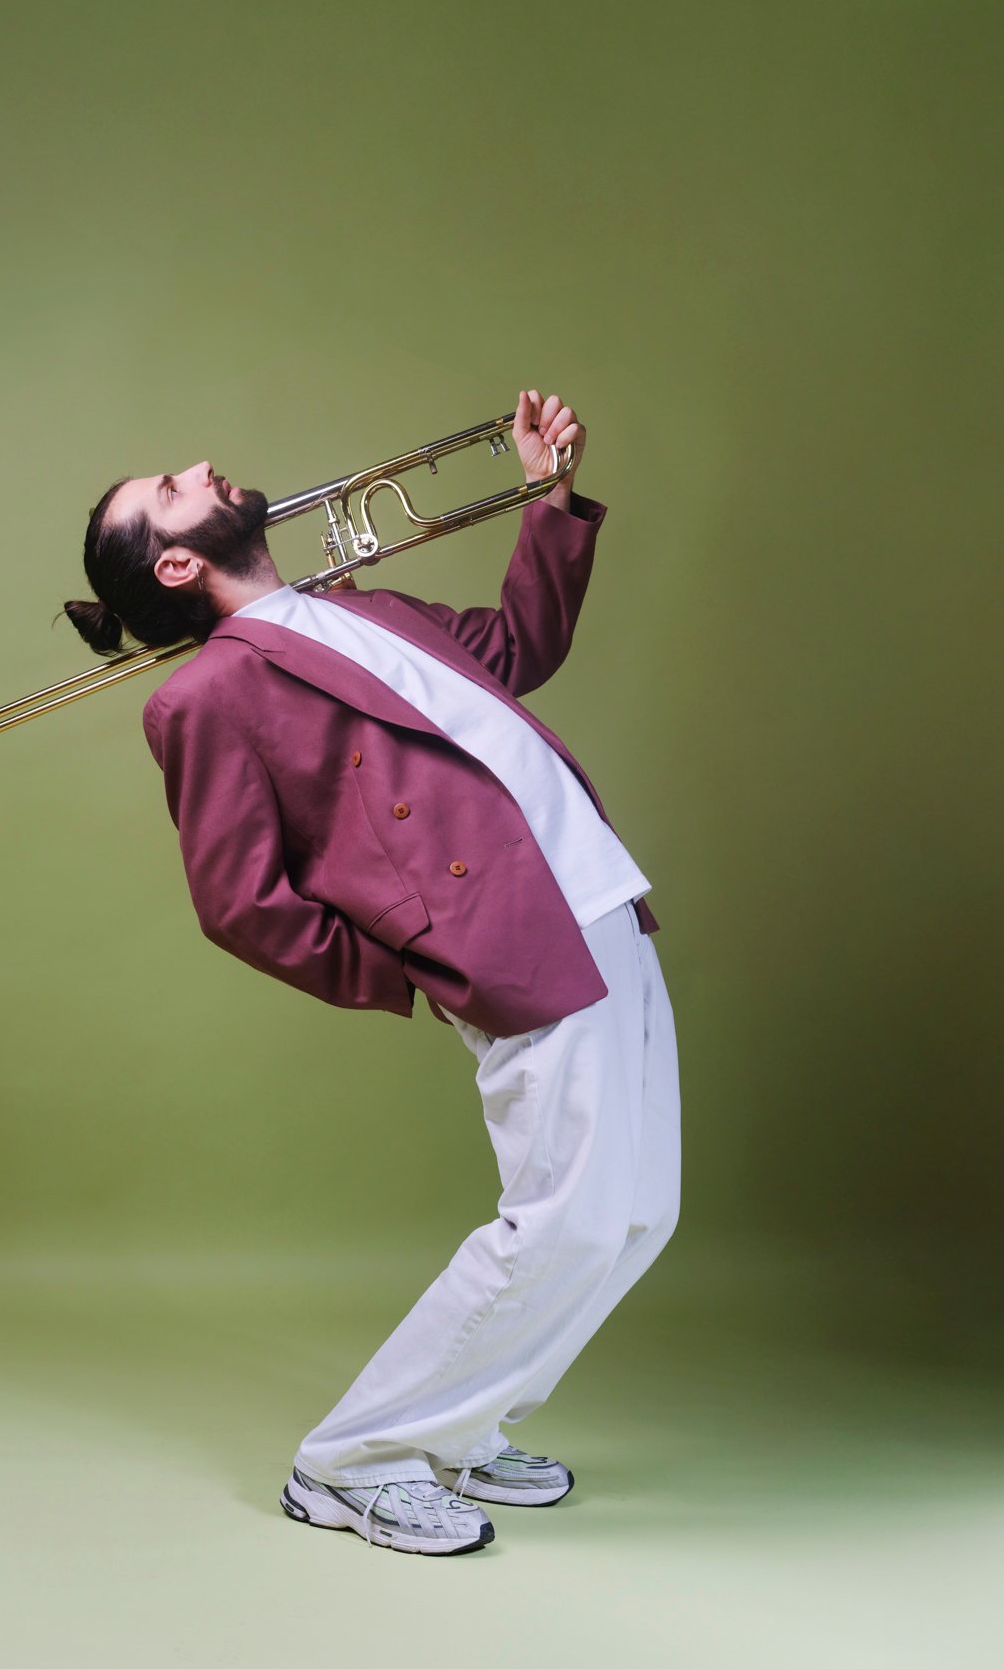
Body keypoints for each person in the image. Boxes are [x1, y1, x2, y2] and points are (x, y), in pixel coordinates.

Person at [64, 388, 681, 1558]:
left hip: (599, 894)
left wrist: (547, 497)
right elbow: (240, 900)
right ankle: (352, 1461)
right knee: (567, 1218)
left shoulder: (367, 605)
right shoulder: (205, 694)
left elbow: (519, 650)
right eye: (171, 490)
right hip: (513, 938)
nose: (200, 464)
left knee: (639, 1210)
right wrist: (427, 955)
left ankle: (463, 1424)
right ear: (177, 563)